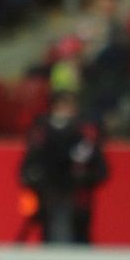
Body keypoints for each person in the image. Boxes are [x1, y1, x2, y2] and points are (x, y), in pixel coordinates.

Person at [20, 90, 108, 244]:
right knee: (53, 237)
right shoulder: (41, 133)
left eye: (70, 106)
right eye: (63, 106)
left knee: (78, 239)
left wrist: (82, 179)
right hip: (48, 199)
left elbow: (101, 170)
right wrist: (39, 183)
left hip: (78, 202)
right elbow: (28, 169)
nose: (67, 111)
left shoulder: (84, 134)